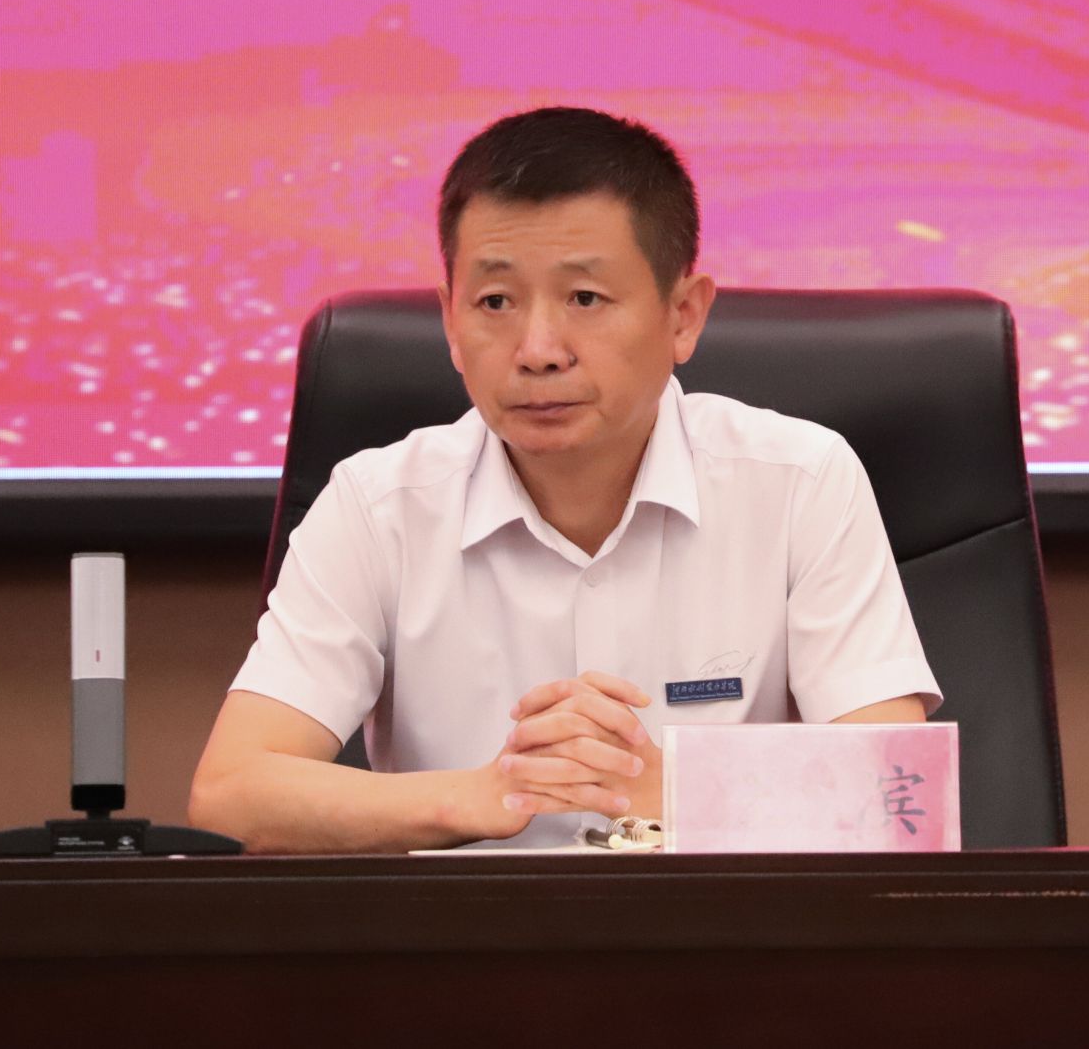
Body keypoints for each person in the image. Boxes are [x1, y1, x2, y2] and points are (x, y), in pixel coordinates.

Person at [188, 106, 939, 852]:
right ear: (451, 323)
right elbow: (231, 796)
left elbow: (901, 800)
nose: (539, 350)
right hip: (466, 930)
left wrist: (670, 789)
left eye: (585, 299)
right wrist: (485, 793)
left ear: (683, 315)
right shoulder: (377, 507)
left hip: (725, 929)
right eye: (495, 302)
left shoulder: (800, 481)